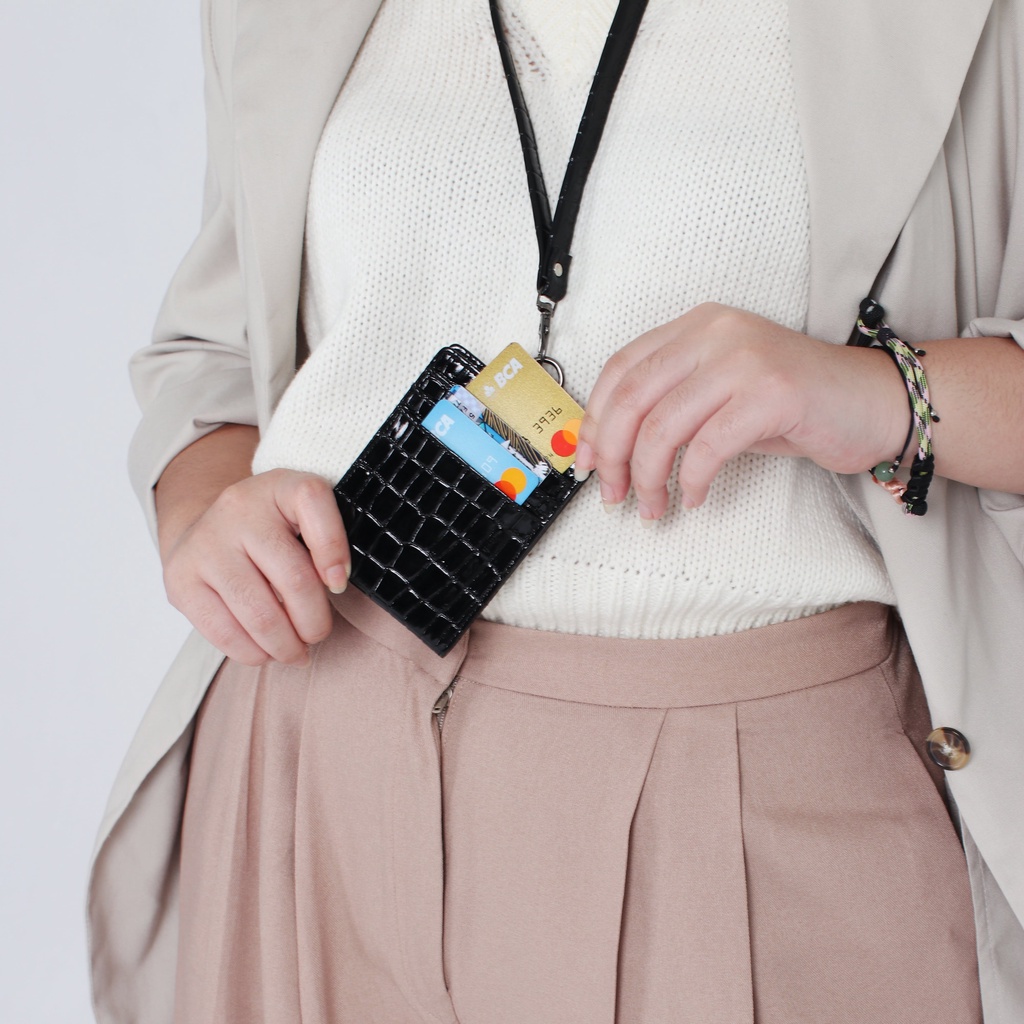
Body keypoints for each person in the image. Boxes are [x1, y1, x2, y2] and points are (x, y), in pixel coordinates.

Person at [89, 0, 1024, 1022]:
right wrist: (206, 511)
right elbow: (212, 357)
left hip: (743, 794)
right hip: (312, 756)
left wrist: (878, 393)